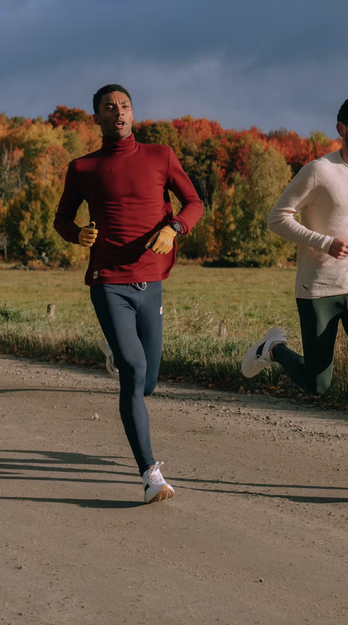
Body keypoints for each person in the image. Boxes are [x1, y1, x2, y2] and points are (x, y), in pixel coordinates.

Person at [241, 93, 348, 500]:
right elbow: (277, 218)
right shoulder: (318, 171)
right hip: (318, 289)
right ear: (341, 129)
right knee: (319, 383)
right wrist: (323, 242)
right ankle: (274, 349)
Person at [54, 84, 203, 503]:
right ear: (96, 118)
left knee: (148, 382)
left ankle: (116, 353)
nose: (118, 112)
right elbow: (61, 218)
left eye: (124, 106)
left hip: (150, 282)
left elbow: (193, 203)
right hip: (108, 281)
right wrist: (76, 233)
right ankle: (150, 474)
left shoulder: (161, 156)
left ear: (133, 114)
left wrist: (174, 229)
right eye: (108, 107)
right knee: (134, 372)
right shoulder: (83, 168)